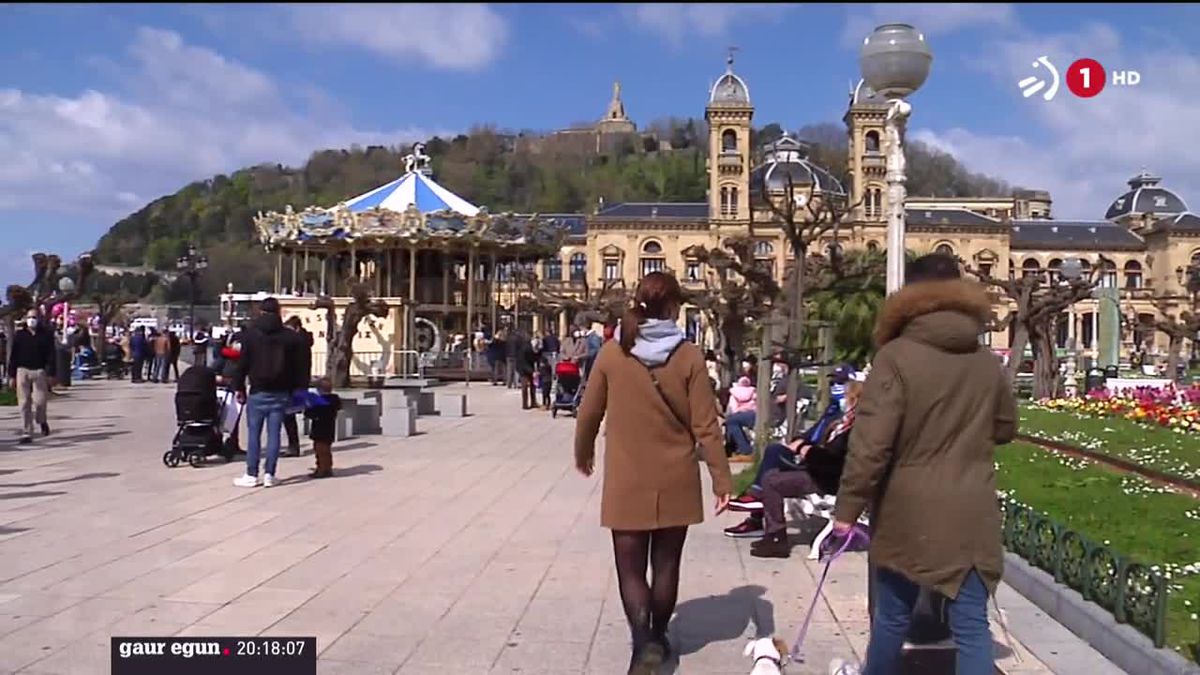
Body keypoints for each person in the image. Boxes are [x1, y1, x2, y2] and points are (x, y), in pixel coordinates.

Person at [830, 253, 1018, 674]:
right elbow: (1005, 428)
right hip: (971, 507)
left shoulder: (896, 357)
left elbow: (870, 446)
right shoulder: (985, 361)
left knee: (892, 617)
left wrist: (847, 511)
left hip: (906, 510)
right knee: (971, 624)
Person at [575, 271, 732, 674]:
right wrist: (721, 478)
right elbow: (706, 425)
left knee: (629, 569)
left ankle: (642, 643)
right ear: (675, 307)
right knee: (666, 565)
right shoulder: (690, 356)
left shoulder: (613, 352)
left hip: (627, 476)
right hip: (676, 476)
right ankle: (659, 637)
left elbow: (589, 411)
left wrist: (584, 451)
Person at [232, 297, 306, 488]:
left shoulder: (251, 335)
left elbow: (242, 364)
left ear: (261, 312)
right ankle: (269, 475)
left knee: (254, 435)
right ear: (278, 312)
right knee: (274, 435)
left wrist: (238, 387)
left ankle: (251, 474)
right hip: (281, 392)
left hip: (257, 391)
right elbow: (300, 367)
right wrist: (299, 390)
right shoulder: (291, 337)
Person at [8, 310, 54, 444]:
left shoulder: (45, 335)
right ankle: (26, 431)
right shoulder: (20, 335)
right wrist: (11, 375)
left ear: (39, 319)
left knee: (40, 401)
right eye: (29, 317)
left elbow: (51, 355)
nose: (31, 320)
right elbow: (14, 356)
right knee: (24, 402)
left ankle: (42, 420)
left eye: (34, 317)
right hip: (22, 370)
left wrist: (51, 373)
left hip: (39, 371)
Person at [281, 315, 314, 457]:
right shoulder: (304, 341)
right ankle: (294, 444)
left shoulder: (298, 343)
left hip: (293, 384)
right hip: (300, 382)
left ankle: (293, 446)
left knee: (288, 415)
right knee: (293, 414)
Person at [304, 377, 342, 478]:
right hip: (330, 429)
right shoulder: (335, 400)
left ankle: (322, 469)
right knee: (326, 451)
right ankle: (327, 468)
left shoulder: (318, 402)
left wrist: (307, 407)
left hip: (319, 430)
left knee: (320, 451)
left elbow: (310, 413)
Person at [723, 376, 758, 458]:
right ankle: (741, 448)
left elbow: (733, 409)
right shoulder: (753, 391)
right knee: (731, 423)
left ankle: (743, 448)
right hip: (754, 415)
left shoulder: (734, 394)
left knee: (730, 422)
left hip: (739, 415)